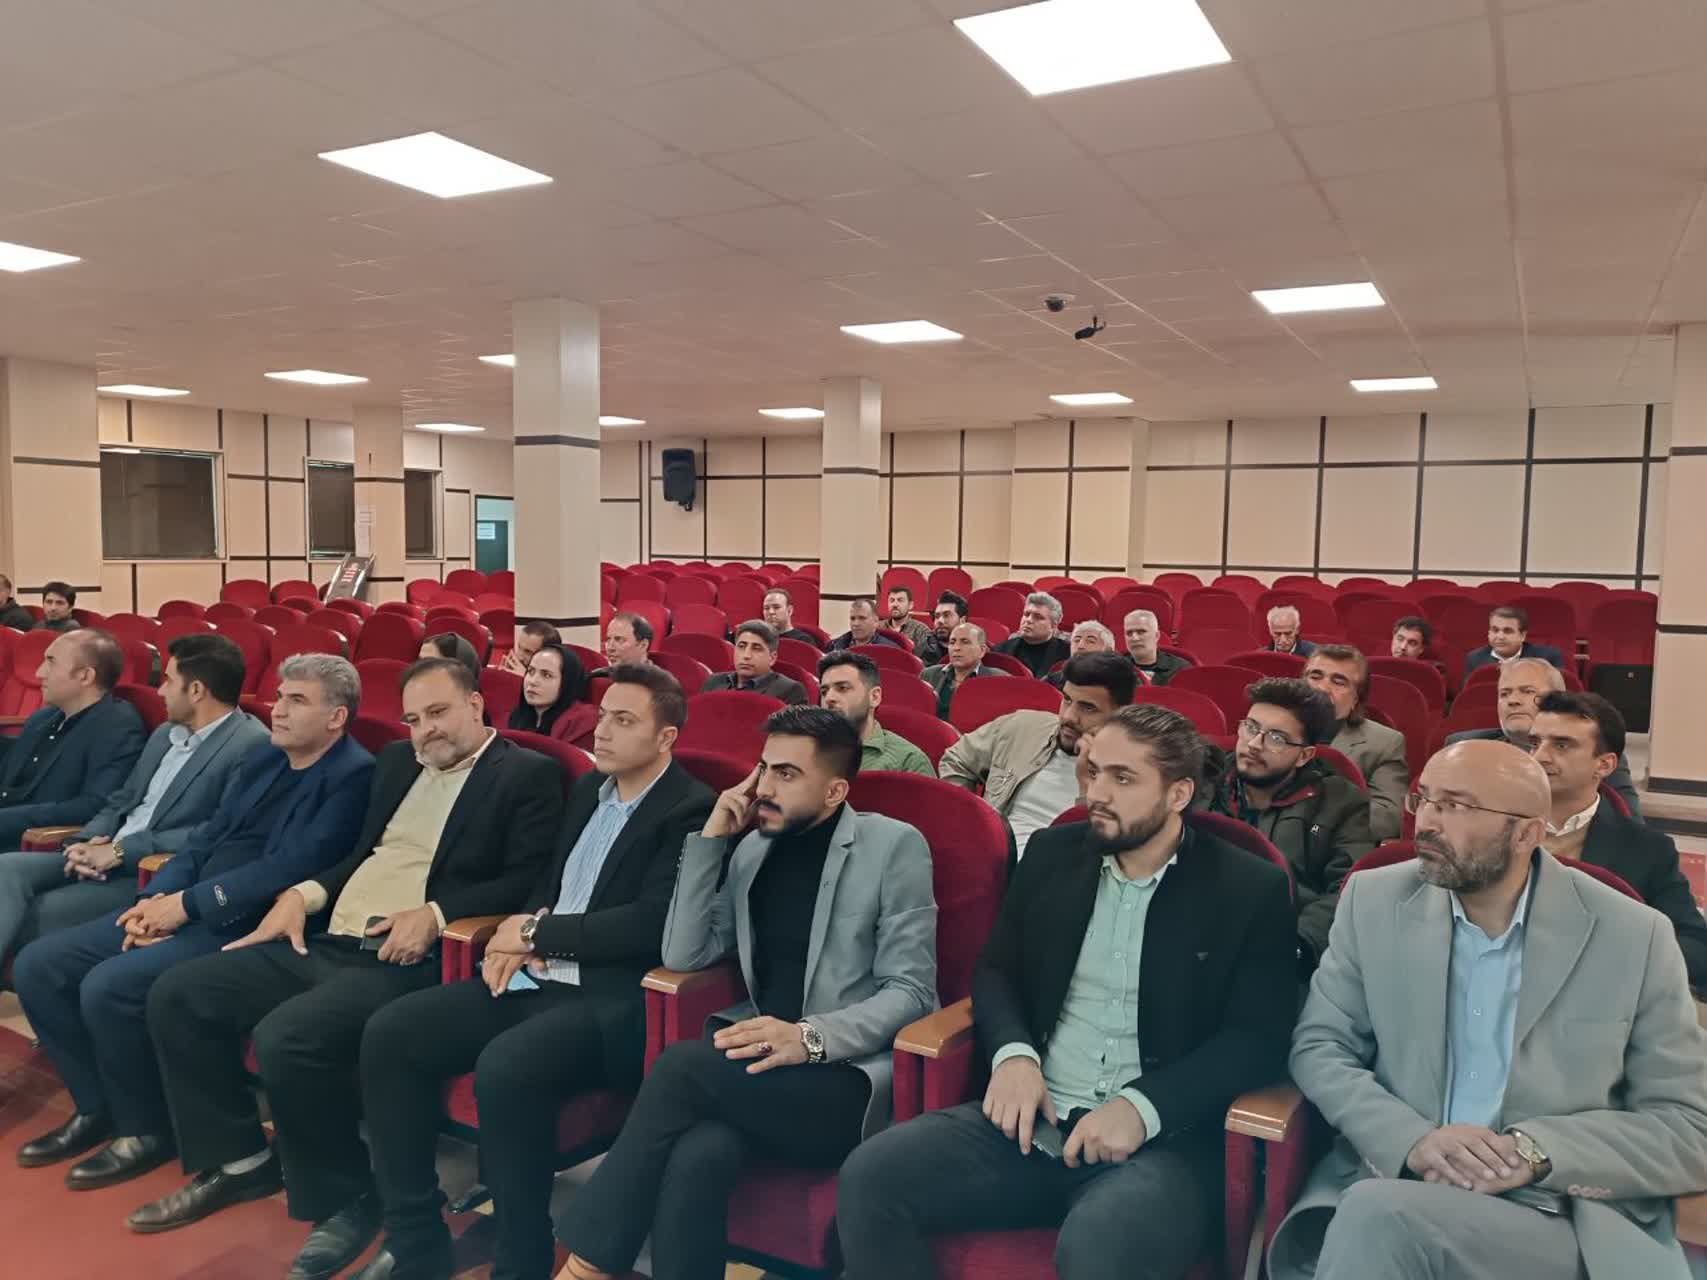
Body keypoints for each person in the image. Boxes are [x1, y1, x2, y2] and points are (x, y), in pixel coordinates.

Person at [838, 705, 1296, 1280]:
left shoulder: (1248, 888)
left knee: (1101, 1248)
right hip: (1033, 1117)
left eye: (1122, 778)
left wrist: (1143, 1107)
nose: (1096, 793)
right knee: (871, 1177)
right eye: (1093, 771)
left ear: (1178, 794)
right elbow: (997, 971)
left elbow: (1257, 1039)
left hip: (1159, 1143)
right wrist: (1013, 1055)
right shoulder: (1053, 854)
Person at [135, 658, 563, 1266]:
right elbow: (361, 854)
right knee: (180, 993)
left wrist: (437, 913)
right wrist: (303, 894)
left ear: (475, 704)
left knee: (287, 1037)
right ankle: (240, 1160)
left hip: (409, 957)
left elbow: (528, 879)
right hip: (331, 936)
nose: (425, 730)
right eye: (413, 719)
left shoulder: (527, 775)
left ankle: (346, 1197)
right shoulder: (397, 762)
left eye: (438, 713)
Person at [1268, 739, 1707, 1280]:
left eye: (1456, 806)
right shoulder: (1373, 902)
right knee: (1379, 1216)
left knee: (1378, 1218)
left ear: (1526, 833)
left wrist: (1534, 1153)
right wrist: (1411, 1139)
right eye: (1425, 800)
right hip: (1398, 1182)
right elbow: (1320, 1046)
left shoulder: (1634, 937)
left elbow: (1688, 1127)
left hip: (1555, 1217)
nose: (1427, 823)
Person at [350, 664, 713, 1280]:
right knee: (391, 1032)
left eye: (624, 721)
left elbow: (651, 925)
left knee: (507, 1065)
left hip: (614, 998)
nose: (603, 731)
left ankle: (521, 1253)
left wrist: (534, 933)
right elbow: (550, 880)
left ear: (665, 737)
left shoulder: (689, 809)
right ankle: (415, 1235)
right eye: (603, 716)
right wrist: (522, 928)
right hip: (539, 976)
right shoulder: (589, 789)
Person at [552, 706, 938, 1280]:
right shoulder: (753, 850)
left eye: (787, 774)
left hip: (844, 1079)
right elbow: (684, 954)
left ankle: (586, 1265)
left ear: (834, 791)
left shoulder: (894, 847)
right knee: (698, 1154)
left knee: (680, 1067)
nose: (763, 787)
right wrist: (710, 839)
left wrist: (808, 1037)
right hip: (760, 1071)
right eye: (763, 768)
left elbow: (911, 990)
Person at [10, 655, 373, 1191]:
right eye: (279, 696)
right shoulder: (266, 758)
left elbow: (291, 866)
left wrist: (184, 907)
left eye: (297, 700)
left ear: (337, 717)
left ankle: (144, 1128)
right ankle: (98, 1105)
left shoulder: (353, 775)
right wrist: (154, 898)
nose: (277, 709)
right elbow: (206, 838)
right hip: (187, 901)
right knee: (40, 965)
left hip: (247, 920)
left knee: (109, 985)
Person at [0, 634, 269, 963]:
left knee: (33, 914)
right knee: (5, 868)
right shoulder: (165, 733)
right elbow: (121, 800)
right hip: (103, 851)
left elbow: (217, 832)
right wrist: (86, 841)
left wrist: (118, 851)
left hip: (146, 871)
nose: (160, 691)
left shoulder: (250, 745)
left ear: (197, 690)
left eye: (168, 681)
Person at [1528, 691, 1707, 985]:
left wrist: (1616, 957)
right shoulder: (1493, 826)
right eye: (1535, 743)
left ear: (1605, 765)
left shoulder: (1647, 849)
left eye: (1561, 745)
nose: (1539, 757)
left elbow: (1696, 947)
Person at [1198, 677, 1373, 973]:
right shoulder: (1203, 781)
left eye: (1276, 738)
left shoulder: (1341, 802)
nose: (1254, 744)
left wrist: (1294, 945)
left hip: (1279, 941)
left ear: (1304, 755)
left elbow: (1347, 891)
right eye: (1250, 727)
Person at [940, 652, 1136, 860]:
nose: (1069, 716)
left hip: (1055, 870)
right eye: (1067, 700)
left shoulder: (1133, 775)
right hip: (985, 859)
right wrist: (970, 821)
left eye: (1088, 708)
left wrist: (1088, 785)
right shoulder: (1023, 726)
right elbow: (957, 759)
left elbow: (1097, 855)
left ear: (1119, 715)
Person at [0, 630, 146, 850]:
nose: (39, 673)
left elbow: (93, 806)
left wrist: (5, 819)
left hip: (35, 842)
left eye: (51, 662)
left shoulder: (118, 725)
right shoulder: (42, 719)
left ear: (85, 676)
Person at [1446, 658, 1640, 816]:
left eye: (1527, 691)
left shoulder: (1594, 753)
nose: (1512, 701)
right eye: (1504, 694)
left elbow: (1628, 824)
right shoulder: (1462, 747)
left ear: (1557, 700)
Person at [1304, 645, 1408, 841]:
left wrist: (1311, 823)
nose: (1322, 688)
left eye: (1339, 682)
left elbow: (1388, 817)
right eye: (1315, 677)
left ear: (1356, 699)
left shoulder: (1385, 743)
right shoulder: (1272, 727)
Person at [818, 650, 935, 777]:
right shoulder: (809, 748)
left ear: (874, 697)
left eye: (842, 688)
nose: (829, 698)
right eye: (824, 692)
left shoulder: (908, 761)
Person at [701, 620, 809, 704]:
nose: (746, 655)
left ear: (772, 658)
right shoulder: (713, 682)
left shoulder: (790, 691)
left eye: (756, 648)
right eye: (741, 646)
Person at [508, 642, 594, 743]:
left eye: (546, 675)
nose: (532, 681)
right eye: (531, 671)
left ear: (567, 682)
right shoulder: (518, 715)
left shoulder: (581, 722)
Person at [921, 622, 1007, 720]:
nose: (956, 648)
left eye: (965, 642)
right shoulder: (928, 675)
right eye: (952, 642)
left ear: (982, 650)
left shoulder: (999, 680)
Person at [1462, 606, 1563, 680]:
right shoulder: (1475, 659)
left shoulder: (1547, 658)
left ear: (1522, 636)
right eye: (1495, 630)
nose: (1500, 637)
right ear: (1489, 633)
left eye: (1507, 631)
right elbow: (1469, 695)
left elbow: (1559, 695)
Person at [994, 592, 1071, 678]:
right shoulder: (1001, 650)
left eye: (1037, 617)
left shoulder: (1067, 654)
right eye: (1026, 614)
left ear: (1053, 626)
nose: (1028, 620)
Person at [1123, 610, 1189, 686]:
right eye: (1129, 633)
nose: (1134, 638)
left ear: (1157, 636)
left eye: (1141, 632)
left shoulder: (1180, 669)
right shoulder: (1116, 668)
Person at [1045, 621, 1118, 689]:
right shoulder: (1052, 681)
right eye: (1076, 640)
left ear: (1108, 651)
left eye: (1090, 641)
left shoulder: (1118, 681)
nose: (1080, 646)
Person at [830, 598, 901, 650]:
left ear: (876, 621)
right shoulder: (834, 646)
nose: (856, 624)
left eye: (862, 618)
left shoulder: (891, 650)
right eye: (852, 618)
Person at [921, 591, 969, 668]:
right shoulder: (923, 647)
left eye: (946, 615)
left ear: (962, 621)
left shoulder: (975, 650)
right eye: (937, 616)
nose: (940, 621)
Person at [880, 586, 933, 653]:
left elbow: (928, 656)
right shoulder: (878, 627)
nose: (895, 604)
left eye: (900, 600)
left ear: (910, 605)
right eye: (892, 600)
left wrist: (912, 648)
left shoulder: (921, 630)